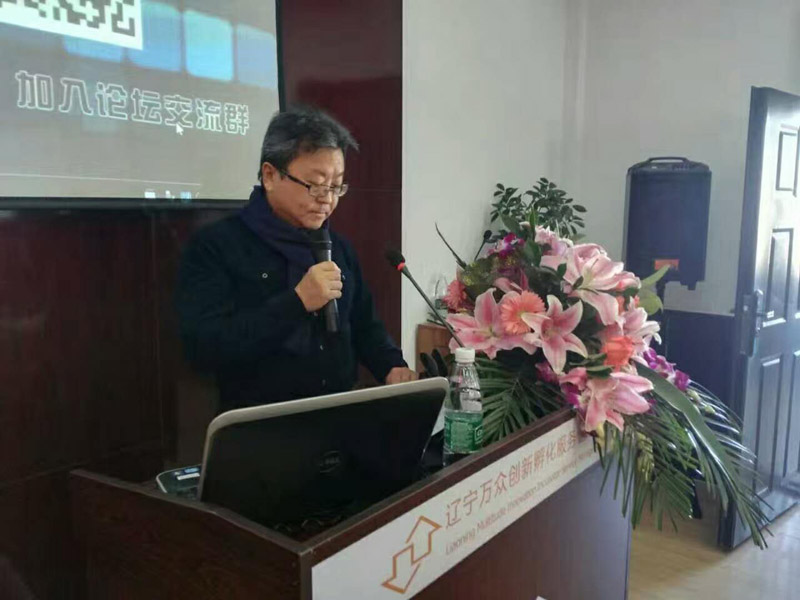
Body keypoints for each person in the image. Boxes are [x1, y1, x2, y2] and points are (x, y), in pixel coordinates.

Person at [176, 106, 416, 413]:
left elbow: (365, 324)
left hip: (340, 418)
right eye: (315, 185)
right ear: (270, 175)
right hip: (261, 424)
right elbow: (204, 348)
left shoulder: (337, 248)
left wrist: (391, 366)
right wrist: (297, 302)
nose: (327, 199)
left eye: (335, 186)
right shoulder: (217, 246)